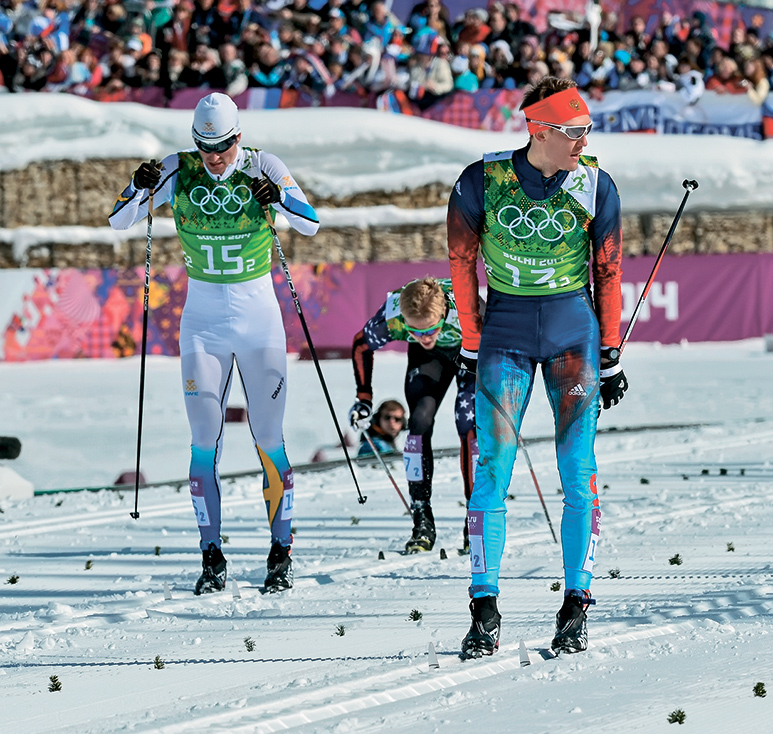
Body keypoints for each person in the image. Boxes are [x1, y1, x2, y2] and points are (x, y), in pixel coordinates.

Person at [109, 93, 319, 595]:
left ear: (239, 138)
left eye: (223, 145)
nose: (216, 157)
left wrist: (280, 198)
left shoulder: (262, 164)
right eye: (206, 147)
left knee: (268, 438)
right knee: (205, 440)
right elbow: (119, 222)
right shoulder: (177, 168)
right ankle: (211, 554)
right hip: (202, 323)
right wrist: (134, 189)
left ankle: (280, 550)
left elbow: (311, 223)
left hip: (259, 321)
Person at [447, 76, 628, 658]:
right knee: (492, 467)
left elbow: (609, 272)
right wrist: (471, 344)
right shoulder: (481, 181)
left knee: (577, 469)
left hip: (573, 335)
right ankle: (484, 607)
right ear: (538, 129)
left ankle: (577, 603)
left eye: (587, 131)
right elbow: (461, 267)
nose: (584, 141)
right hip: (505, 336)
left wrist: (611, 348)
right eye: (574, 132)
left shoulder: (596, 185)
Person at [349, 278, 477, 553]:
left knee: (468, 424)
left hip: (470, 352)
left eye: (431, 329)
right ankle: (422, 518)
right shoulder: (393, 316)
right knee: (418, 424)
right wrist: (364, 397)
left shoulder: (467, 309)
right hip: (428, 360)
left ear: (443, 314)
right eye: (415, 331)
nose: (425, 336)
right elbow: (361, 345)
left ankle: (476, 517)